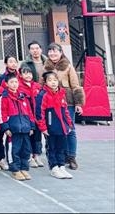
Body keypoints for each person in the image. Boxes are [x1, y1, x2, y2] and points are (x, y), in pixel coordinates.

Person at [43, 42, 84, 171]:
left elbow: (75, 85)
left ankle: (71, 156)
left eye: (55, 51)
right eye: (50, 51)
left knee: (70, 129)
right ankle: (59, 156)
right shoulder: (46, 67)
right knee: (56, 130)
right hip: (50, 104)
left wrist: (78, 103)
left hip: (67, 103)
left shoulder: (68, 66)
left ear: (61, 52)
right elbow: (41, 85)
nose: (52, 53)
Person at [35, 71, 74, 179]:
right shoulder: (43, 95)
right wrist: (43, 128)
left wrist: (69, 124)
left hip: (62, 127)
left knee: (61, 147)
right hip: (50, 127)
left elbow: (65, 110)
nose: (53, 82)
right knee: (52, 147)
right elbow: (39, 113)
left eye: (55, 80)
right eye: (50, 80)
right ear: (45, 82)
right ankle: (54, 167)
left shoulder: (61, 93)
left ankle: (61, 166)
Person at [0, 73, 34, 181]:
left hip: (25, 128)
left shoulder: (23, 97)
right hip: (13, 130)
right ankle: (15, 169)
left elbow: (30, 113)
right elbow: (1, 114)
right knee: (14, 150)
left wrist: (31, 126)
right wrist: (6, 127)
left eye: (16, 82)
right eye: (11, 82)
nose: (14, 84)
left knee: (26, 149)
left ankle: (24, 168)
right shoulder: (4, 97)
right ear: (6, 84)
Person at [19, 67, 44, 168]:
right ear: (20, 75)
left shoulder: (37, 86)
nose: (28, 75)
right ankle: (29, 156)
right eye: (25, 73)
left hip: (37, 116)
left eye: (29, 73)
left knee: (37, 137)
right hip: (26, 117)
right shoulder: (19, 86)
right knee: (28, 136)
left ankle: (36, 155)